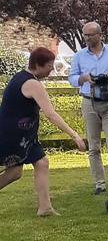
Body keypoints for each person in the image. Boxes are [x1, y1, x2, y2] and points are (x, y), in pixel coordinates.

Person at [0, 47, 87, 216]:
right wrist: (74, 135)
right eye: (49, 66)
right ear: (37, 65)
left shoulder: (21, 76)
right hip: (12, 135)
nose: (51, 70)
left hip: (25, 135)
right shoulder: (32, 84)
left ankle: (45, 208)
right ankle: (45, 207)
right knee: (15, 173)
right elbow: (51, 114)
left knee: (41, 163)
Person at [67, 21, 108, 194]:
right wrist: (84, 78)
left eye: (90, 35)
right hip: (89, 101)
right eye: (85, 35)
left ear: (99, 35)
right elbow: (71, 78)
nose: (86, 38)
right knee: (93, 146)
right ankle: (99, 183)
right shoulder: (79, 55)